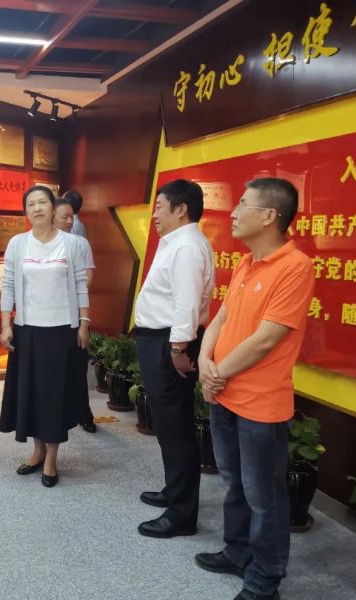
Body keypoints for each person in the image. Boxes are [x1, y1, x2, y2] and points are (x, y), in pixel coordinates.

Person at [195, 178, 314, 600]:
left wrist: (216, 373)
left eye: (243, 204)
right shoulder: (247, 262)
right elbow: (222, 318)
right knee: (235, 484)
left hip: (260, 404)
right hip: (224, 395)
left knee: (265, 496)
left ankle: (265, 580)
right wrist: (204, 360)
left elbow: (267, 339)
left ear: (268, 216)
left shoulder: (295, 266)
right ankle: (237, 551)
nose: (233, 212)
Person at [133, 179, 215, 538]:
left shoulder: (187, 247)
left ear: (181, 209)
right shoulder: (177, 243)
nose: (154, 214)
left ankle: (182, 514)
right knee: (167, 423)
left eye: (159, 207)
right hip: (161, 341)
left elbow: (187, 303)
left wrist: (179, 349)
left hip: (170, 344)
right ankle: (174, 490)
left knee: (176, 426)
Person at [0, 185, 90, 488]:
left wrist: (84, 323)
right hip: (27, 330)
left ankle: (51, 457)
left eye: (42, 203)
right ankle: (37, 451)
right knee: (32, 394)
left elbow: (81, 284)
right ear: (26, 211)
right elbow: (8, 285)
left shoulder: (72, 243)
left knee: (54, 395)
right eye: (31, 204)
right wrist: (6, 324)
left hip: (61, 330)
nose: (37, 208)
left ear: (53, 209)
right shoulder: (17, 244)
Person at [54, 197, 97, 433]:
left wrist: (73, 298)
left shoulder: (81, 243)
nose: (70, 221)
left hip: (75, 310)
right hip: (49, 315)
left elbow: (87, 277)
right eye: (65, 217)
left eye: (72, 216)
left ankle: (83, 414)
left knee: (78, 365)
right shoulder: (39, 243)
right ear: (52, 217)